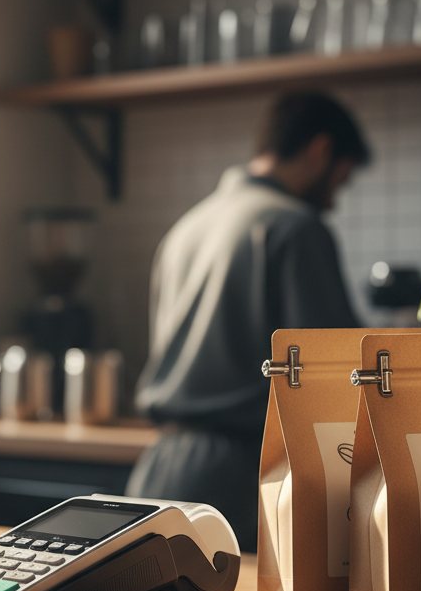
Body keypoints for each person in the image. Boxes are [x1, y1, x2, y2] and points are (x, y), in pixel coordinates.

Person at [125, 92, 371, 551]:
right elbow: (338, 372)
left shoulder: (187, 227)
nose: (334, 201)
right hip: (241, 478)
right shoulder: (296, 228)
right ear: (320, 151)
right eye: (340, 181)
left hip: (159, 467)